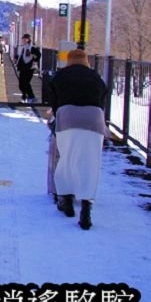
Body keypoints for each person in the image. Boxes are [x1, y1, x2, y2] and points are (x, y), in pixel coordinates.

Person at [48, 48, 108, 230]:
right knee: (90, 163)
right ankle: (86, 209)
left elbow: (54, 100)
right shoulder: (95, 77)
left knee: (66, 158)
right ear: (86, 60)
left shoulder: (60, 76)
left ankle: (66, 201)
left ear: (69, 60)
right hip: (94, 120)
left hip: (67, 118)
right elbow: (102, 98)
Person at [14, 34, 39, 103]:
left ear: (28, 39)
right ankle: (26, 97)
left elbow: (38, 55)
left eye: (25, 39)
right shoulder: (24, 47)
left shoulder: (32, 47)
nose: (24, 40)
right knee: (21, 84)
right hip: (23, 68)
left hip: (29, 68)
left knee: (26, 83)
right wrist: (16, 59)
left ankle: (30, 97)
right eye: (23, 39)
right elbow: (21, 56)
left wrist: (34, 60)